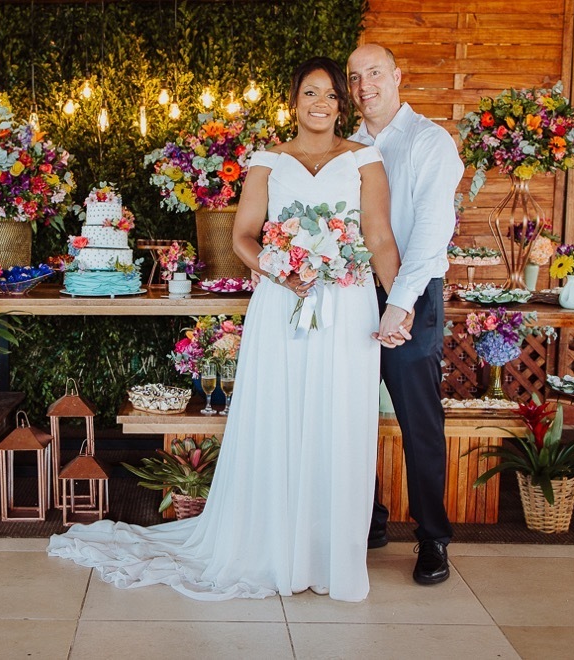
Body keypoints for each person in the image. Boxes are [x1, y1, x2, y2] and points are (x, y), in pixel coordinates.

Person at [48, 56, 402, 602]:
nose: (322, 103)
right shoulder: (268, 160)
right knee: (278, 417)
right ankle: (271, 548)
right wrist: (283, 271)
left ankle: (328, 556)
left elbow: (378, 238)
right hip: (281, 306)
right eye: (311, 93)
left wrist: (397, 303)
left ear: (342, 103)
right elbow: (242, 237)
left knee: (337, 420)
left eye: (332, 94)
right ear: (295, 100)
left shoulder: (364, 159)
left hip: (346, 309)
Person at [346, 43, 464, 585]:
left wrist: (400, 302)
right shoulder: (348, 147)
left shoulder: (428, 141)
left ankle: (433, 538)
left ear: (397, 75)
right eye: (354, 77)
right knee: (350, 412)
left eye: (374, 73)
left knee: (418, 420)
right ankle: (367, 520)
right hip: (351, 296)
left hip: (413, 294)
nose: (364, 85)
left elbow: (432, 231)